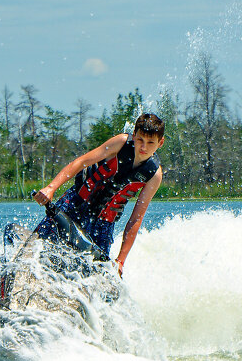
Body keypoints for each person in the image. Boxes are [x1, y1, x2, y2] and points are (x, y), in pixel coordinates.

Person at [32, 113, 165, 276]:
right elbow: (81, 162)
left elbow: (136, 219)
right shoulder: (121, 143)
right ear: (134, 135)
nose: (143, 147)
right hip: (75, 203)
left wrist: (120, 260)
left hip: (102, 226)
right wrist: (51, 188)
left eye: (150, 142)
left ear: (160, 143)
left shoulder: (154, 175)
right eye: (140, 140)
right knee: (38, 247)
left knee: (92, 275)